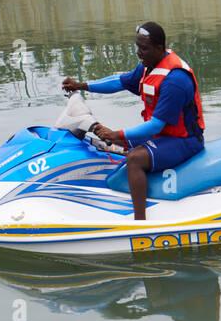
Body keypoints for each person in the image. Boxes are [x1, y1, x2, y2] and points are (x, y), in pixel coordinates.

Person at [62, 22, 205, 221]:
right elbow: (119, 81)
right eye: (137, 47)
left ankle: (140, 222)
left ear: (159, 48)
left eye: (143, 48)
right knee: (108, 142)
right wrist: (82, 85)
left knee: (135, 159)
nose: (138, 52)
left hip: (185, 141)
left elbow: (156, 125)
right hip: (162, 136)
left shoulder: (175, 80)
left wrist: (117, 134)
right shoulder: (149, 67)